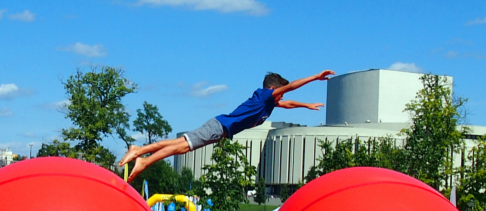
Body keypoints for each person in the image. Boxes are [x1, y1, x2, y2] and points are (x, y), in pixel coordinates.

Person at [118, 70, 335, 182]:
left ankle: (139, 151)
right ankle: (144, 161)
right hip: (218, 127)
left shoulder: (270, 105)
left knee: (178, 143)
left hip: (219, 129)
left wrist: (306, 105)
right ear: (272, 89)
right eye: (281, 92)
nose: (282, 98)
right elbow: (292, 88)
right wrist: (316, 77)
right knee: (181, 147)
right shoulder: (264, 96)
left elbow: (287, 104)